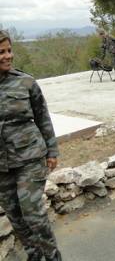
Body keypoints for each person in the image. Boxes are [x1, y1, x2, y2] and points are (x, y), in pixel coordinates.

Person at [0, 30, 62, 261]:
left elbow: (42, 117)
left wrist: (52, 150)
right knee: (15, 217)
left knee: (33, 214)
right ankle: (34, 255)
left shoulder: (25, 82)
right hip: (2, 166)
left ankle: (53, 256)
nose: (8, 56)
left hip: (30, 158)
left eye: (9, 50)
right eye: (1, 52)